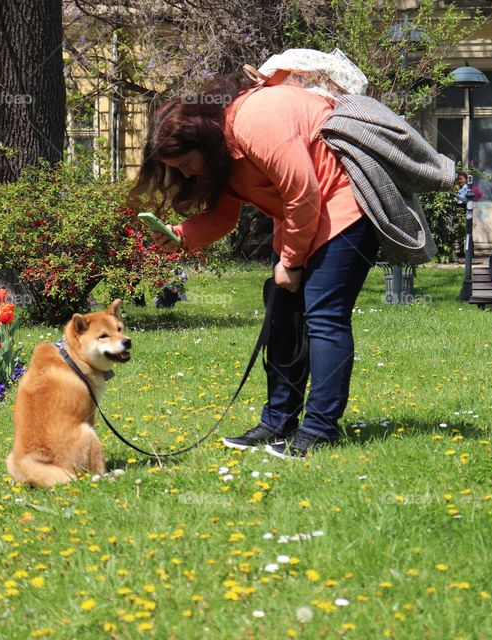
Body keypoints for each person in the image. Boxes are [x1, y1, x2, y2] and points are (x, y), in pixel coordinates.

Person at [133, 76, 380, 458]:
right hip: (305, 219)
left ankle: (320, 429)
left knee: (324, 316)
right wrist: (180, 236)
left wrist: (291, 263)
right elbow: (223, 218)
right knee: (282, 316)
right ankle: (277, 422)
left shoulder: (256, 120)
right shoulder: (222, 152)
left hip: (345, 208)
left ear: (202, 138)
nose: (184, 175)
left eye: (184, 164)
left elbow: (304, 190)